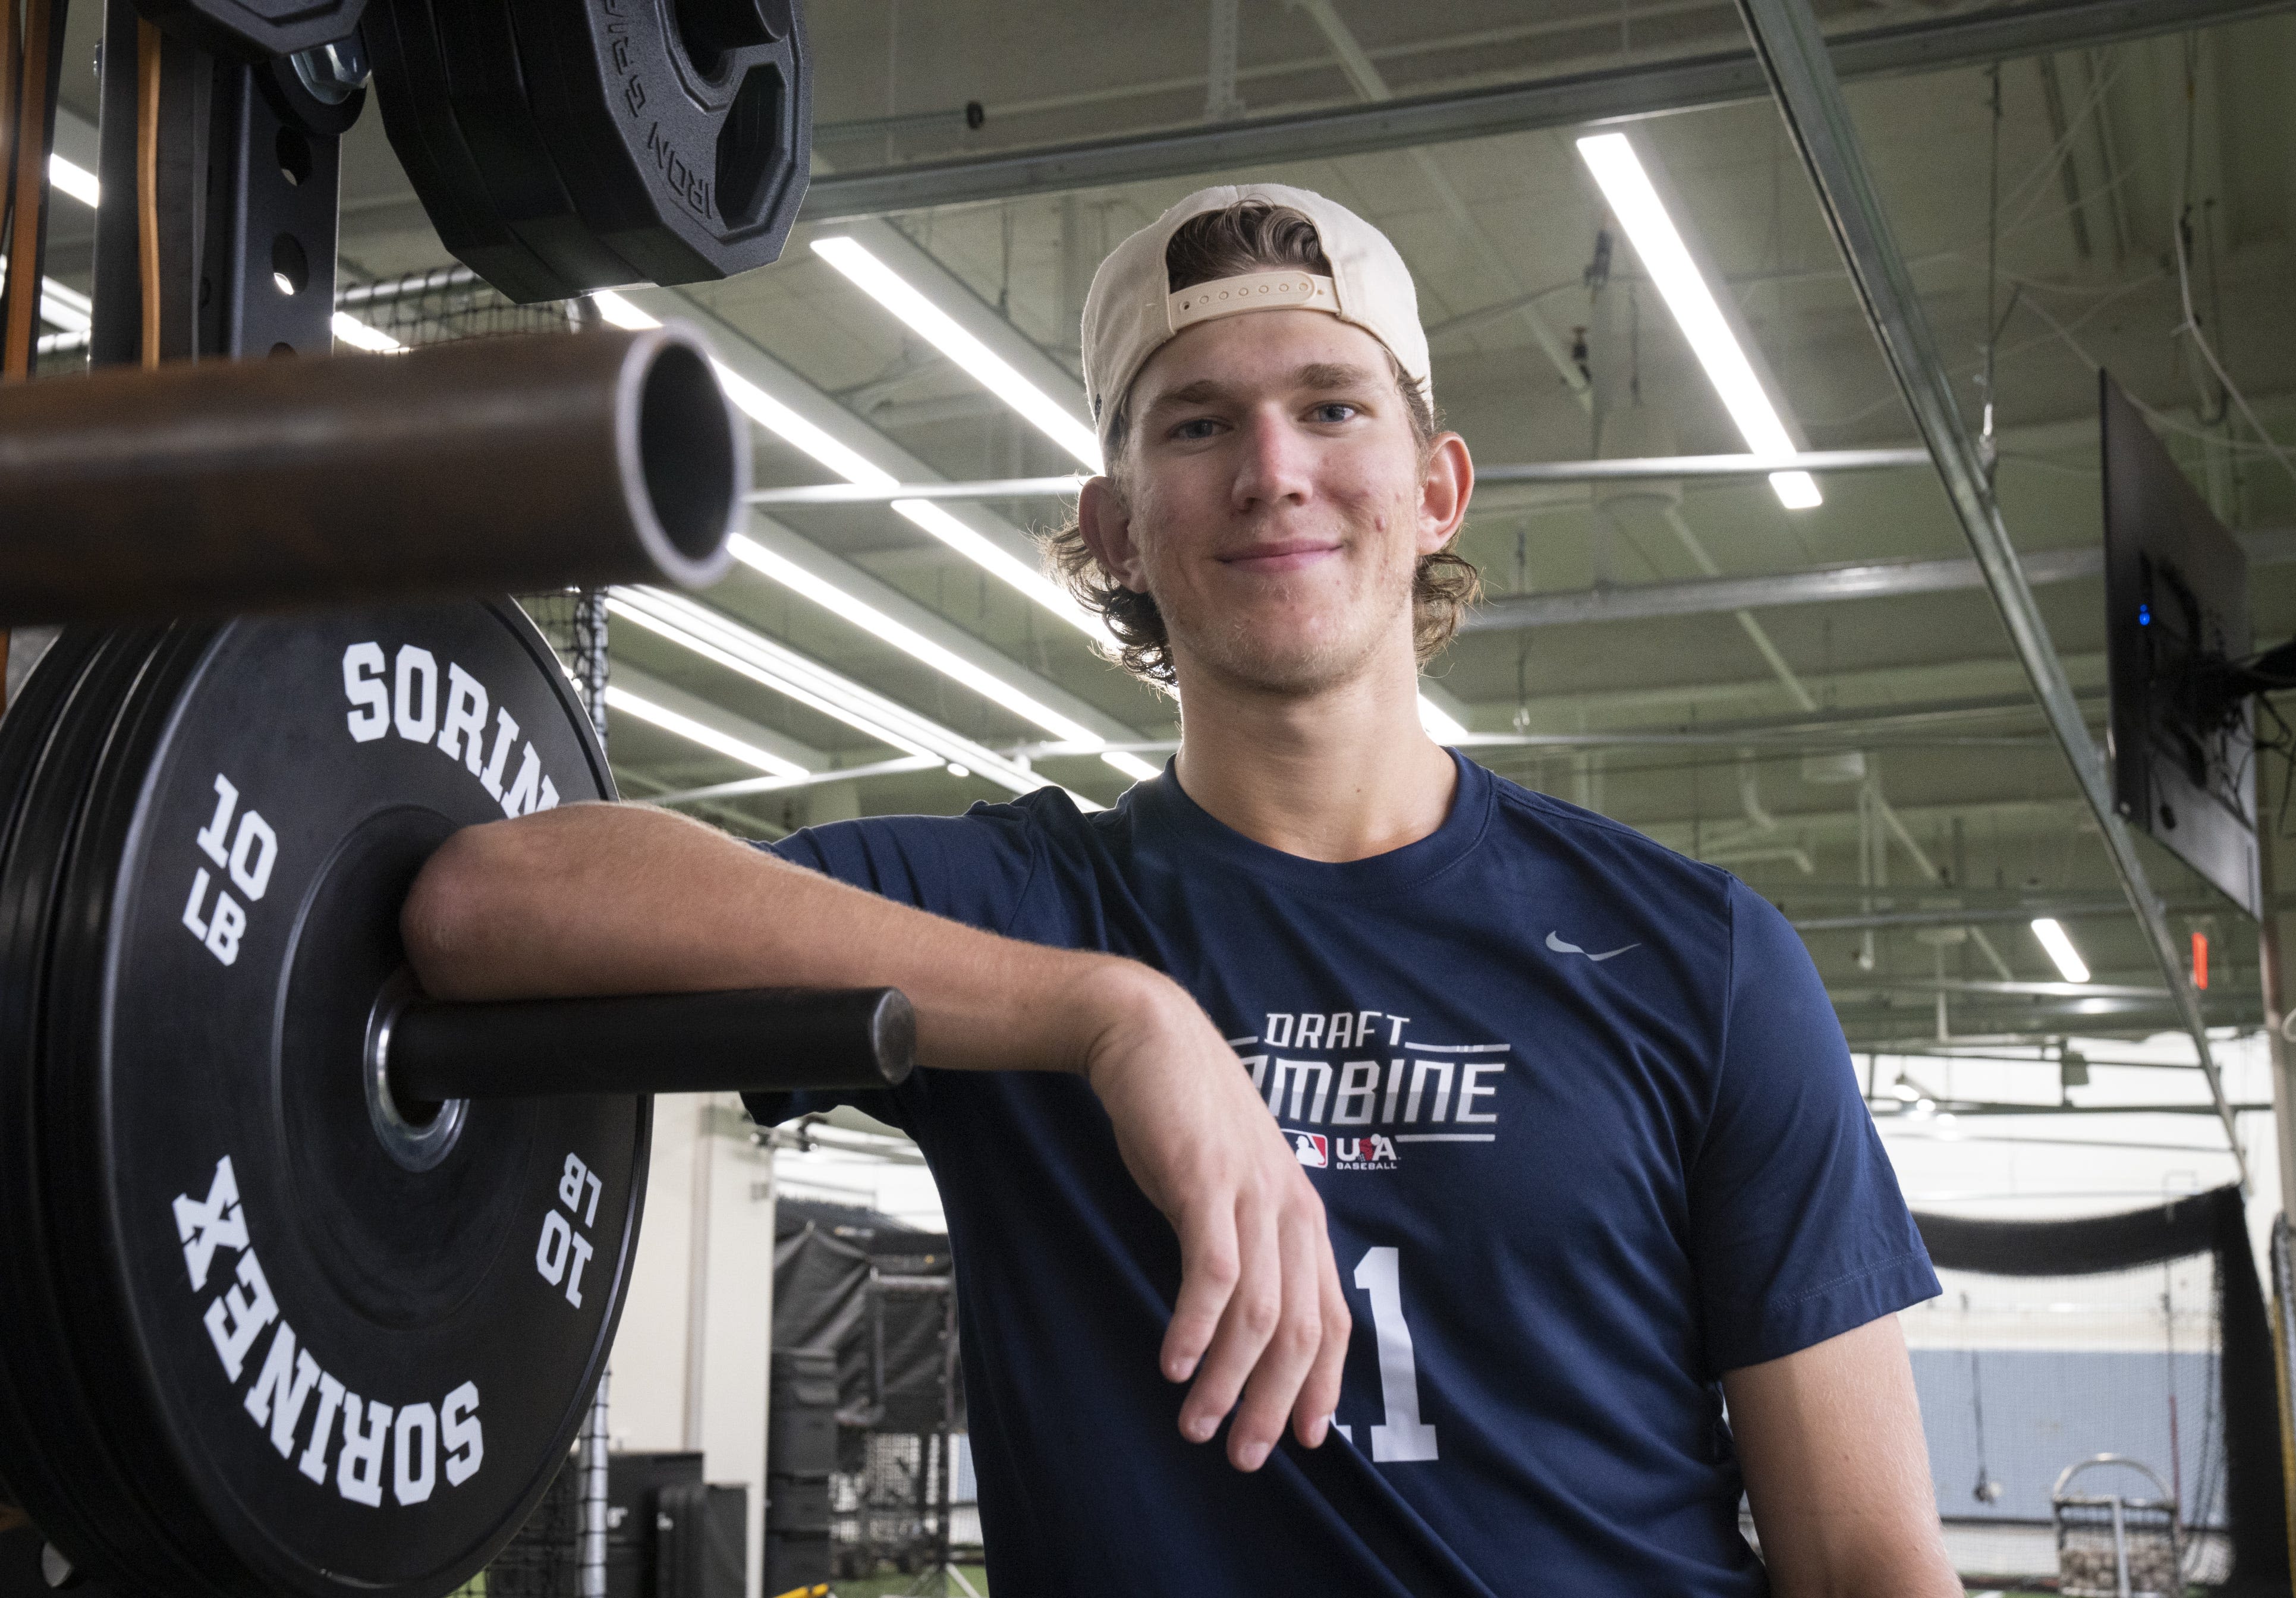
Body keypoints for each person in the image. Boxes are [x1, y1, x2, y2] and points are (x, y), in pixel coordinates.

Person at [404, 183, 1961, 1596]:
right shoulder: (1016, 918)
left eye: (1330, 408)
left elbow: (1862, 1552)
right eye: (1198, 427)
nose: (1273, 474)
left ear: (1434, 490)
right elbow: (492, 901)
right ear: (1115, 530)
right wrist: (1109, 1015)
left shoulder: (1694, 959)